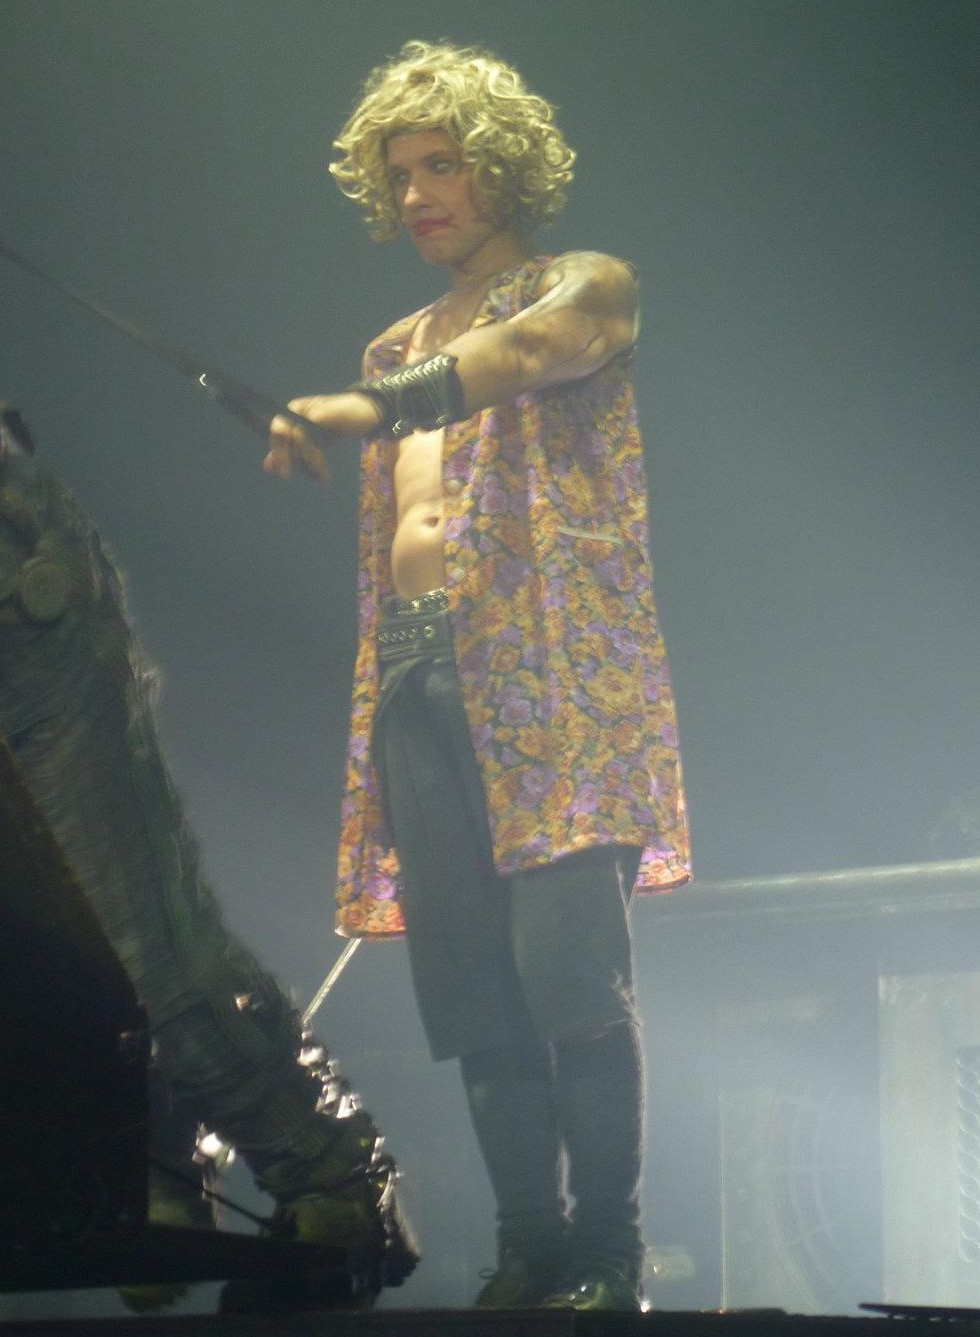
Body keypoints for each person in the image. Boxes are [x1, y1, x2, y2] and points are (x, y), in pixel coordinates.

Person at [266, 40, 691, 1311]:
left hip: (554, 678)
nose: (415, 196)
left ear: (499, 165)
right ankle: (527, 1249)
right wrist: (362, 401)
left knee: (571, 984)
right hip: (416, 670)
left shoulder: (588, 284)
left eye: (441, 165)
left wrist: (370, 407)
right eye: (397, 175)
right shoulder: (393, 340)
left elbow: (522, 354)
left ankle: (606, 1253)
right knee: (472, 996)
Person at [0, 403, 417, 1312]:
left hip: (21, 586)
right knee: (56, 949)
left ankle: (334, 1175)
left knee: (139, 941)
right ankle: (157, 1169)